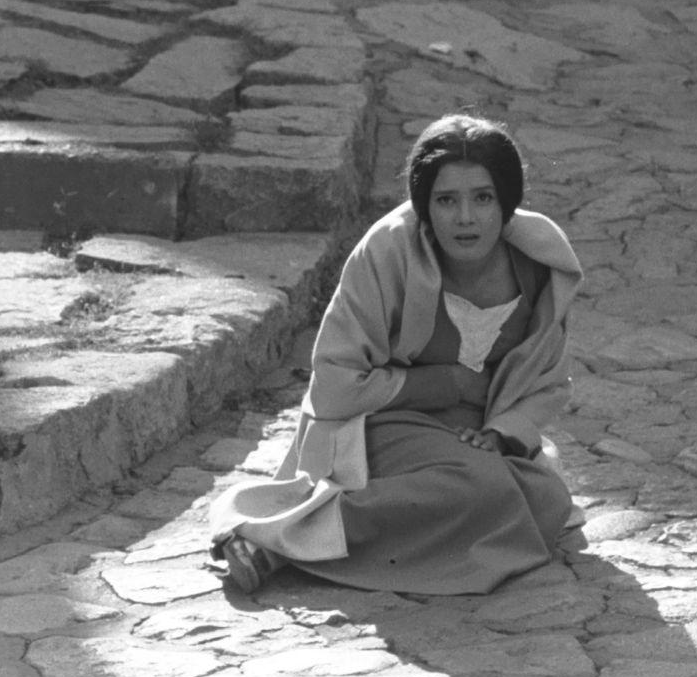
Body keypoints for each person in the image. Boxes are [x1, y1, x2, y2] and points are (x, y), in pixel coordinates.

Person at [208, 113, 582, 596]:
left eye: (483, 198)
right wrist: (446, 383)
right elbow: (334, 383)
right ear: (424, 206)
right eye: (446, 201)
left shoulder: (541, 266)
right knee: (486, 490)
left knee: (546, 500)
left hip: (472, 430)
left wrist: (501, 433)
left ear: (507, 203)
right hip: (379, 419)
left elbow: (548, 378)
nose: (465, 218)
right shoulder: (386, 251)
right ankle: (276, 541)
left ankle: (369, 529)